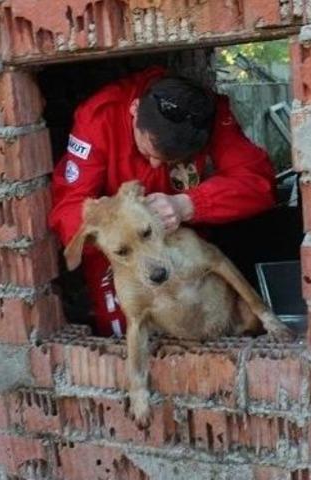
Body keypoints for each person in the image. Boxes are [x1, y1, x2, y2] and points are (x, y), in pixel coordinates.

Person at [48, 66, 276, 337]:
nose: (155, 165)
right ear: (134, 110)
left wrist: (188, 204)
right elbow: (67, 208)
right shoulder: (100, 116)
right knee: (120, 340)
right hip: (121, 256)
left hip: (185, 245)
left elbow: (259, 182)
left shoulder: (209, 116)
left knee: (209, 327)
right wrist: (111, 222)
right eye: (146, 152)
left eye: (171, 161)